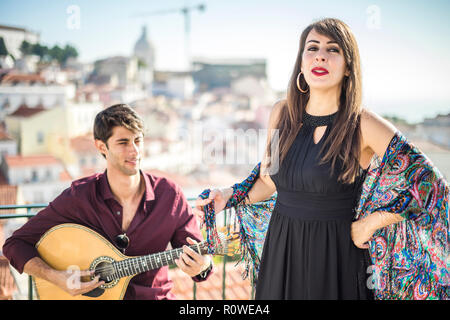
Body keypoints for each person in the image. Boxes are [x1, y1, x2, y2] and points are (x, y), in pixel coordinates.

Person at [195, 18, 448, 300]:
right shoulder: (281, 113)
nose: (320, 56)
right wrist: (228, 195)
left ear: (349, 66)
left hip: (337, 256)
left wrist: (371, 223)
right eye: (312, 48)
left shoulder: (364, 124)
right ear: (301, 63)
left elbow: (432, 187)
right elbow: (269, 179)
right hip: (282, 251)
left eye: (333, 50)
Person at [2, 104, 212, 300]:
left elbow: (198, 258)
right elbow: (14, 245)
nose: (134, 151)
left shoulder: (170, 195)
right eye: (123, 142)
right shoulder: (80, 196)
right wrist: (57, 277)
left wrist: (203, 266)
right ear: (101, 146)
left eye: (138, 140)